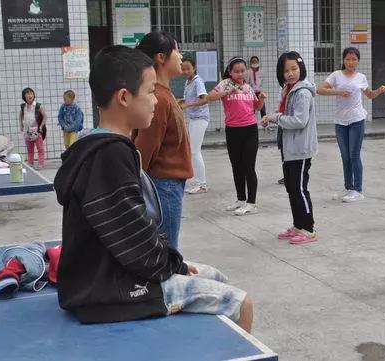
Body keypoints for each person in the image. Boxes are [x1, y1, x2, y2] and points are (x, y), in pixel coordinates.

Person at [53, 45, 253, 332]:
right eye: (149, 92)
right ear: (124, 97)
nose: (155, 101)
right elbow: (134, 242)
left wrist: (177, 264)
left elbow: (133, 230)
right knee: (241, 304)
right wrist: (174, 265)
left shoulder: (102, 146)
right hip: (109, 291)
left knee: (215, 276)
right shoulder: (109, 155)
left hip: (107, 279)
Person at [133, 31, 193, 250]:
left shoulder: (163, 94)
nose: (180, 55)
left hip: (168, 186)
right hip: (162, 186)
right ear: (161, 57)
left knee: (166, 249)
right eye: (176, 50)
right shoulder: (158, 98)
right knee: (166, 252)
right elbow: (144, 149)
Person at [317, 47, 385, 202]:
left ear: (358, 61)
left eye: (354, 59)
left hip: (357, 119)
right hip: (340, 120)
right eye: (348, 59)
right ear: (343, 60)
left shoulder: (361, 77)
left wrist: (379, 90)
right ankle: (348, 187)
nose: (350, 62)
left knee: (354, 155)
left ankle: (358, 189)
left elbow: (369, 95)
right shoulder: (336, 75)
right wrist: (337, 92)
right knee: (345, 156)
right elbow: (320, 89)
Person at [262, 51, 318, 245]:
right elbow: (285, 114)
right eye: (286, 70)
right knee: (292, 187)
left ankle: (308, 229)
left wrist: (276, 118)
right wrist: (271, 117)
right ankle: (298, 225)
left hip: (300, 149)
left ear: (301, 68)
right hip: (289, 147)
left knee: (300, 188)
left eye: (294, 68)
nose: (290, 73)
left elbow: (300, 121)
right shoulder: (288, 89)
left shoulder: (302, 92)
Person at [205, 57, 266, 216]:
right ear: (230, 72)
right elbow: (209, 97)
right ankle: (240, 199)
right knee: (236, 165)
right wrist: (226, 92)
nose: (240, 74)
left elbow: (256, 107)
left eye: (242, 71)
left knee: (248, 166)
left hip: (250, 129)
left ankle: (251, 203)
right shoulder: (225, 84)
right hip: (232, 130)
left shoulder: (248, 87)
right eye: (236, 71)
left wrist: (261, 100)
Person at [180, 58, 210, 195]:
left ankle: (201, 184)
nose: (185, 71)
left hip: (200, 118)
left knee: (195, 151)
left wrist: (187, 105)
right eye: (183, 68)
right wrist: (181, 102)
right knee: (193, 150)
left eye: (188, 68)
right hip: (193, 118)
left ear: (194, 68)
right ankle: (199, 181)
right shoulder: (188, 81)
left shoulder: (198, 81)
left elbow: (204, 99)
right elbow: (189, 99)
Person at [19, 87, 47, 169]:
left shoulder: (38, 106)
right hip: (27, 131)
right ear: (24, 97)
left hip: (37, 131)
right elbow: (20, 116)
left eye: (31, 93)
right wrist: (21, 125)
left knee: (40, 148)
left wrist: (41, 126)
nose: (29, 95)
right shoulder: (23, 106)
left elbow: (45, 116)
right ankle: (30, 163)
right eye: (27, 93)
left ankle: (40, 164)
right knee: (30, 149)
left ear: (33, 95)